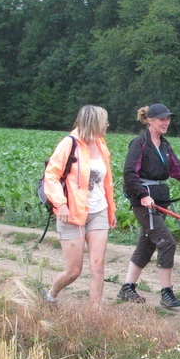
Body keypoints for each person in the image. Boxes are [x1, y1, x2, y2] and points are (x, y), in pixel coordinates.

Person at [118, 104, 180, 308]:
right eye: (162, 119)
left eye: (168, 119)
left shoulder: (164, 145)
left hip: (160, 199)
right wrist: (143, 195)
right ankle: (166, 292)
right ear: (150, 120)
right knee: (166, 242)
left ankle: (127, 288)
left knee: (147, 244)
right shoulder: (140, 143)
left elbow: (177, 169)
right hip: (144, 202)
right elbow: (129, 173)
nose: (166, 122)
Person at [42, 105, 117, 312]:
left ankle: (95, 312)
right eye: (105, 122)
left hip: (98, 211)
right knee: (74, 271)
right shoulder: (69, 144)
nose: (108, 125)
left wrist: (111, 210)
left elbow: (106, 181)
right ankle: (51, 294)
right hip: (72, 214)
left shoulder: (101, 144)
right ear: (94, 123)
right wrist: (61, 204)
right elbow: (51, 176)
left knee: (98, 265)